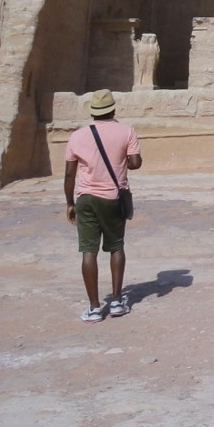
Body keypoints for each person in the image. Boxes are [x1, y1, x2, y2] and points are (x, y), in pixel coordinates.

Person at [63, 88, 141, 323]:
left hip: (85, 197)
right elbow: (136, 163)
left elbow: (69, 174)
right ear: (113, 110)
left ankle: (95, 307)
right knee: (116, 246)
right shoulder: (126, 131)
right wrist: (122, 159)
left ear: (92, 113)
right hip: (113, 197)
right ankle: (117, 301)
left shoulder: (77, 136)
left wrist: (69, 202)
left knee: (89, 251)